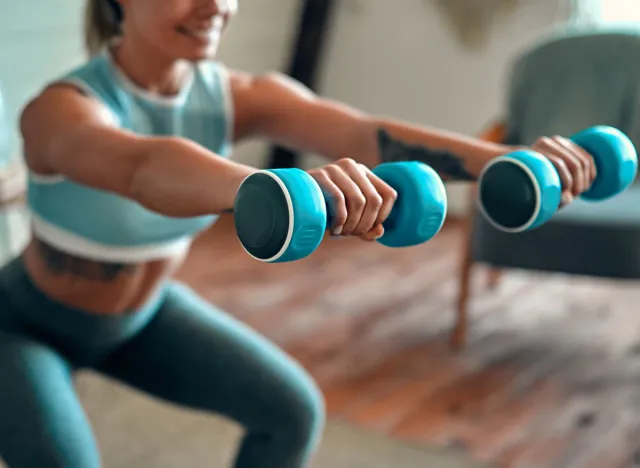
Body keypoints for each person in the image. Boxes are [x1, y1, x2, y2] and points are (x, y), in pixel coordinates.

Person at [0, 0, 597, 467]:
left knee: (290, 412)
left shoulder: (237, 97)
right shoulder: (61, 112)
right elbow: (142, 168)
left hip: (143, 318)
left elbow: (367, 134)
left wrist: (507, 163)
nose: (215, 6)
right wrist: (265, 190)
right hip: (24, 324)